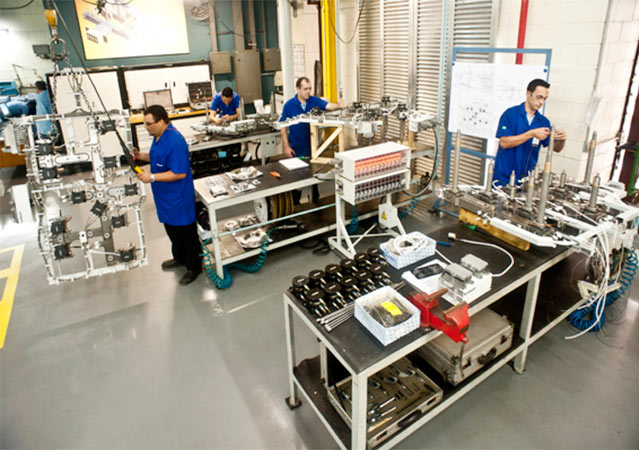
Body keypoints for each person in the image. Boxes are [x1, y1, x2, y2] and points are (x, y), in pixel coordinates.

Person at [134, 105, 201, 286]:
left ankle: (193, 267)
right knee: (172, 230)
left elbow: (179, 173)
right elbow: (156, 158)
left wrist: (151, 177)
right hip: (164, 196)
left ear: (161, 122)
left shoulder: (175, 141)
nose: (146, 127)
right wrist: (140, 156)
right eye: (145, 124)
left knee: (186, 233)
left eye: (149, 124)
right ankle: (179, 258)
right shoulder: (158, 137)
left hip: (178, 197)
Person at [493, 78, 567, 186]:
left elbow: (556, 148)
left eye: (544, 99)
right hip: (504, 178)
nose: (541, 102)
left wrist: (562, 140)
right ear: (528, 93)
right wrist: (531, 134)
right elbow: (504, 143)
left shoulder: (543, 122)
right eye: (539, 97)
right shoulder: (510, 115)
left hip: (527, 180)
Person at [279, 76, 344, 158]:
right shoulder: (289, 105)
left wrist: (339, 105)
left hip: (313, 148)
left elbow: (329, 106)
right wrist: (286, 147)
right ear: (298, 89)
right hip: (295, 149)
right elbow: (283, 126)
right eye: (305, 89)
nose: (308, 91)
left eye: (310, 88)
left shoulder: (314, 100)